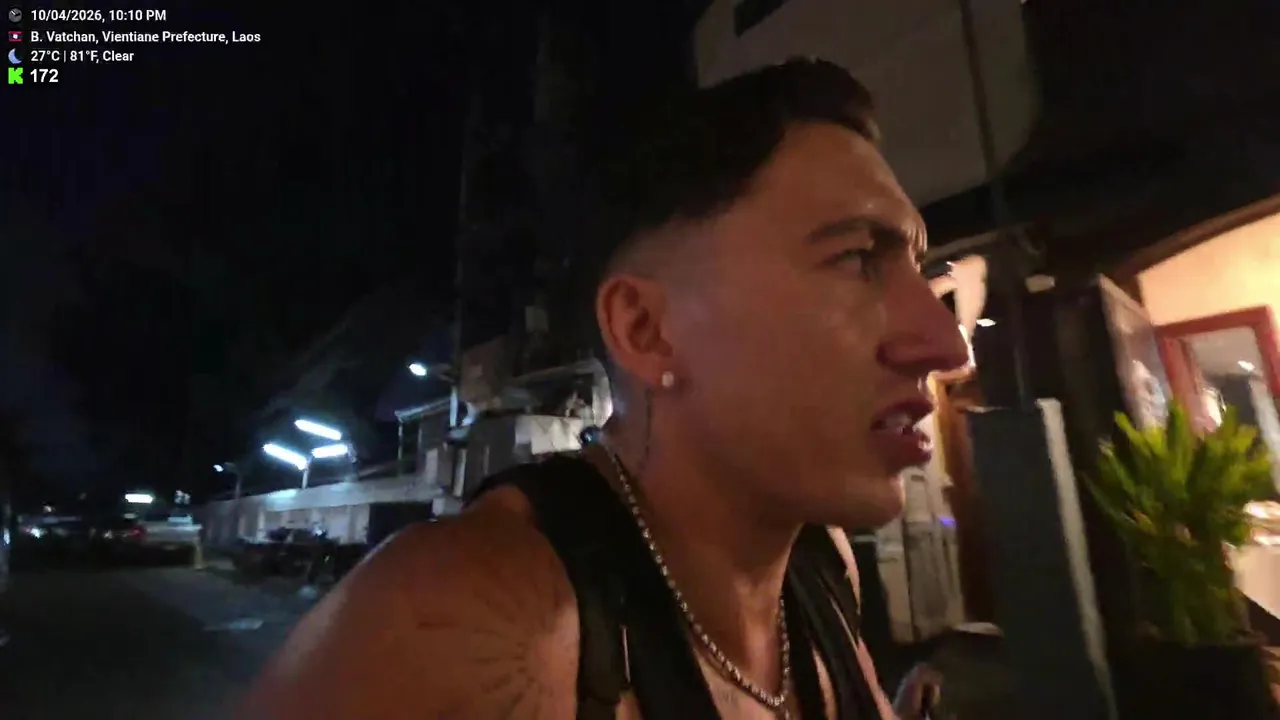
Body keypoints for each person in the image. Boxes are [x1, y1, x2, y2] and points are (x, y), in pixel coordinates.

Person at [241, 58, 969, 719]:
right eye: (855, 259)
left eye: (917, 267)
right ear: (646, 330)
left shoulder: (822, 568)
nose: (946, 346)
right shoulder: (459, 617)